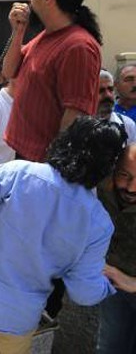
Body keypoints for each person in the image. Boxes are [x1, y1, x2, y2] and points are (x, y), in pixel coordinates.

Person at [0, 117, 124, 353]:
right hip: (20, 316)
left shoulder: (18, 172)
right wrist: (111, 282)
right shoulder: (99, 224)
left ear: (66, 142)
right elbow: (84, 292)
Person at [4, 0, 102, 162]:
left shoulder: (78, 46)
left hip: (45, 165)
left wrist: (54, 167)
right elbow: (9, 70)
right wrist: (18, 32)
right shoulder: (47, 35)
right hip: (26, 158)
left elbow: (75, 113)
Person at [96, 144, 136, 354]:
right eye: (124, 175)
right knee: (110, 347)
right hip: (114, 287)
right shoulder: (102, 188)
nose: (131, 188)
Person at [99, 69, 136, 144]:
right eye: (101, 91)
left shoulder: (127, 124)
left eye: (110, 89)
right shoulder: (79, 126)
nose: (108, 95)